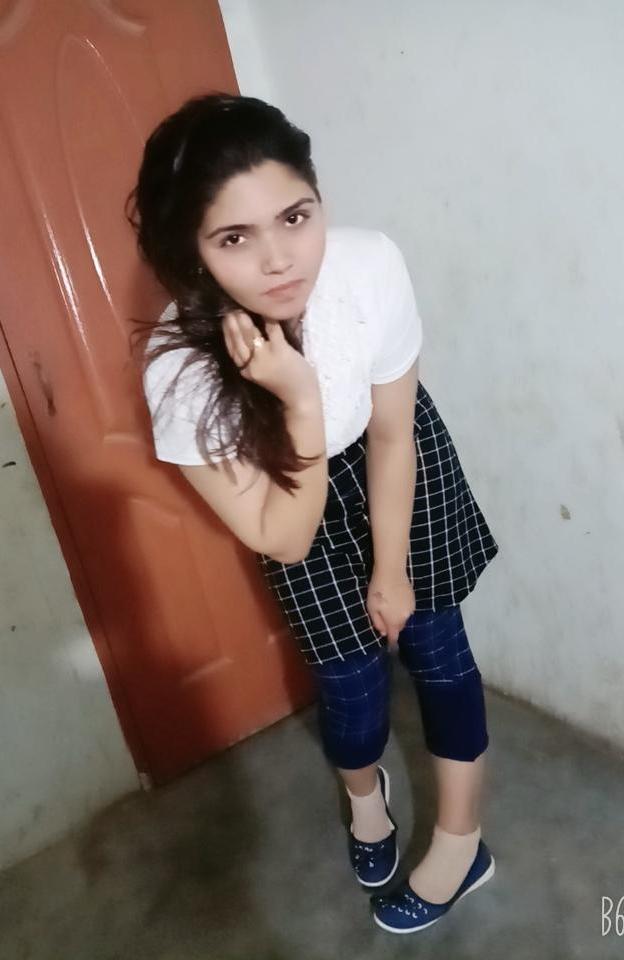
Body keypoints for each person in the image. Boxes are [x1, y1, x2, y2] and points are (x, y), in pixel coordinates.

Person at [126, 91, 499, 934]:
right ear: (190, 251)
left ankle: (462, 843)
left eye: (295, 217)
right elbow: (286, 536)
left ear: (318, 200)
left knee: (440, 653)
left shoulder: (367, 265)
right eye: (234, 238)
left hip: (396, 459)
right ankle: (365, 800)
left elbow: (394, 433)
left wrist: (392, 570)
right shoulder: (179, 373)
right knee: (351, 688)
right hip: (292, 497)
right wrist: (298, 399)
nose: (280, 261)